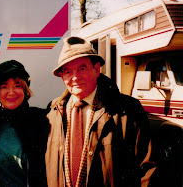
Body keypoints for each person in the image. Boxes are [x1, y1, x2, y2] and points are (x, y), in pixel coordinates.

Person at [45, 36, 155, 187]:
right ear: (62, 77)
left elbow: (147, 167)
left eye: (82, 68)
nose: (75, 77)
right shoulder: (52, 113)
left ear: (96, 69)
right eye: (68, 72)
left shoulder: (127, 110)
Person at [0, 60, 49, 187]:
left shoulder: (41, 120)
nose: (11, 92)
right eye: (4, 86)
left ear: (25, 90)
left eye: (17, 86)